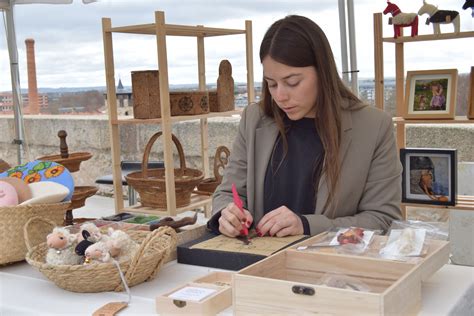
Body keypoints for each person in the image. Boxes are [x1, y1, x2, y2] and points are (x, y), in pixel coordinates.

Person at [207, 15, 402, 238]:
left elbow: (384, 220)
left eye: (292, 82)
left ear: (322, 71)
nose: (280, 95)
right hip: (256, 265)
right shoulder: (254, 119)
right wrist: (226, 214)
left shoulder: (373, 127)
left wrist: (308, 226)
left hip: (331, 267)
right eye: (271, 84)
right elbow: (226, 193)